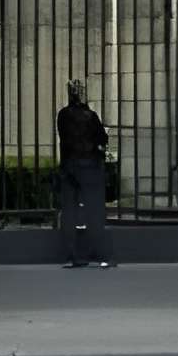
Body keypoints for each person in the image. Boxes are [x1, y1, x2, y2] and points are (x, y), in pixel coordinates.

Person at [56, 80, 114, 268]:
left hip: (69, 167)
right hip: (90, 166)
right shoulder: (91, 116)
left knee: (70, 212)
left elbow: (64, 139)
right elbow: (103, 139)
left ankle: (72, 255)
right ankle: (98, 254)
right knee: (94, 212)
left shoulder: (63, 115)